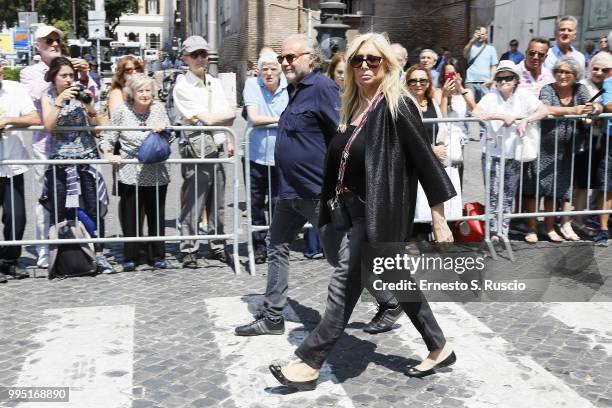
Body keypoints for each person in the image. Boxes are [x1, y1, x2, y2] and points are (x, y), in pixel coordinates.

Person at [269, 33, 457, 391]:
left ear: (387, 63)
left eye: (373, 59)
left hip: (378, 216)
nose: (365, 66)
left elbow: (427, 164)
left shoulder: (397, 106)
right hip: (353, 212)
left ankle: (310, 362)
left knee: (343, 283)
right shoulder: (353, 106)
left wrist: (439, 218)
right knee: (399, 282)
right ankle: (439, 346)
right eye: (358, 61)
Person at [234, 34, 342, 336]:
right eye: (282, 58)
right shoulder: (296, 89)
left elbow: (343, 138)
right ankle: (273, 316)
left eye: (290, 57)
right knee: (276, 245)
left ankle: (389, 298)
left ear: (311, 57)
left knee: (339, 256)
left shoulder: (323, 88)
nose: (284, 63)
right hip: (289, 191)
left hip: (315, 191)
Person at [20, 24, 98, 269]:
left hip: (78, 146)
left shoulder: (73, 70)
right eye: (48, 40)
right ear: (37, 46)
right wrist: (61, 74)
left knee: (84, 199)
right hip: (46, 145)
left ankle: (82, 247)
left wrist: (83, 76)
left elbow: (92, 99)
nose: (54, 43)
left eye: (57, 40)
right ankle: (47, 250)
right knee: (47, 200)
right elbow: (39, 93)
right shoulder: (30, 72)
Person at [40, 56, 113, 273]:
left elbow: (98, 126)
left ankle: (99, 255)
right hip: (60, 163)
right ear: (54, 77)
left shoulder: (83, 91)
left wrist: (89, 105)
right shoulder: (49, 96)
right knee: (59, 211)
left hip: (86, 160)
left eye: (71, 75)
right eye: (63, 76)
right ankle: (61, 258)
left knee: (93, 209)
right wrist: (60, 100)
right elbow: (48, 126)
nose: (69, 80)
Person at [173, 36, 236, 268]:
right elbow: (214, 117)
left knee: (218, 201)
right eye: (195, 55)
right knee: (194, 201)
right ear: (185, 58)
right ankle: (188, 248)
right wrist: (222, 117)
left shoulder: (215, 82)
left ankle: (217, 244)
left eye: (204, 54)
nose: (201, 59)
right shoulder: (182, 86)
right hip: (196, 150)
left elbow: (226, 117)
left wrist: (228, 136)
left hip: (217, 146)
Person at [472, 60, 549, 241]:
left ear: (515, 79)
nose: (503, 81)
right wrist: (500, 116)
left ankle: (503, 231)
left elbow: (543, 110)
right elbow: (477, 112)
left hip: (514, 153)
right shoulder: (491, 96)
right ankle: (492, 233)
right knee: (493, 194)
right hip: (492, 153)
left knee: (507, 195)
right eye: (499, 78)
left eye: (508, 77)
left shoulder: (524, 95)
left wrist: (526, 120)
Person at [101, 73, 170, 271]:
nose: (145, 94)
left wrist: (164, 129)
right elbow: (109, 136)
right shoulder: (122, 111)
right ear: (132, 93)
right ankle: (131, 255)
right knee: (130, 216)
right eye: (141, 90)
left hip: (156, 172)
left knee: (156, 216)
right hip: (130, 172)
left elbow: (171, 137)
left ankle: (157, 255)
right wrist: (108, 154)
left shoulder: (159, 109)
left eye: (148, 90)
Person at [525, 57, 598, 242]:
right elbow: (547, 108)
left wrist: (593, 108)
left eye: (567, 72)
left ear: (575, 75)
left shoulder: (580, 89)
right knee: (536, 189)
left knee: (556, 190)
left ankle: (550, 227)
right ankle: (532, 228)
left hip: (567, 150)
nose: (563, 75)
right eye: (560, 71)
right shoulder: (548, 89)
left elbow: (593, 106)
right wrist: (575, 110)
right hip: (543, 148)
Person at [406, 65, 463, 237]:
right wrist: (430, 150)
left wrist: (441, 144)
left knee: (429, 204)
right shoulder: (405, 105)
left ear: (429, 83)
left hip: (432, 163)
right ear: (407, 83)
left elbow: (442, 126)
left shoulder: (431, 103)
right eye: (413, 80)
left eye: (422, 80)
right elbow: (407, 136)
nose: (418, 84)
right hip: (414, 163)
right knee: (416, 207)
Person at [243, 52, 288, 264]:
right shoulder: (252, 85)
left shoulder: (289, 86)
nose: (269, 73)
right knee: (256, 204)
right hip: (256, 156)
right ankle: (258, 246)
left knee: (279, 204)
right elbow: (253, 118)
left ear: (279, 71)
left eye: (273, 69)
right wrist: (282, 120)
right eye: (264, 69)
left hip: (281, 157)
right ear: (259, 72)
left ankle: (276, 244)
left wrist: (268, 122)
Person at [0, 60, 40, 283]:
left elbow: (34, 118)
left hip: (13, 165)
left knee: (17, 218)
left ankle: (9, 261)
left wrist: (8, 120)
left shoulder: (14, 89)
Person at [516, 38, 555, 240]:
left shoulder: (549, 76)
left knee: (533, 180)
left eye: (540, 54)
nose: (535, 57)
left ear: (546, 56)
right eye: (532, 52)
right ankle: (515, 220)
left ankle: (531, 223)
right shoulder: (514, 72)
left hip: (542, 135)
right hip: (516, 133)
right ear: (526, 52)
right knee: (514, 180)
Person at [574, 52, 612, 238]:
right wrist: (591, 117)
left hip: (601, 141)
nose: (599, 72)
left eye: (604, 69)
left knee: (597, 183)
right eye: (595, 68)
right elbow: (582, 110)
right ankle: (578, 220)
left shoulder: (606, 85)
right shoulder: (583, 86)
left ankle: (588, 216)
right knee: (581, 183)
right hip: (583, 140)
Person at [439, 57, 477, 183]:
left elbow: (475, 111)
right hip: (443, 138)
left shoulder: (467, 92)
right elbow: (442, 117)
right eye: (447, 75)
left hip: (459, 139)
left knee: (457, 175)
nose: (450, 78)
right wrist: (445, 96)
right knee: (443, 176)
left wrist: (460, 89)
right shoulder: (439, 92)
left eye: (453, 74)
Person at [596, 68, 612, 245]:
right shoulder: (609, 82)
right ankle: (603, 229)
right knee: (607, 186)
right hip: (611, 139)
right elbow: (608, 106)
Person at [463, 26, 498, 105]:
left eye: (482, 34)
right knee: (471, 107)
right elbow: (464, 54)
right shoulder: (471, 47)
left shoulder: (491, 49)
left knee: (485, 106)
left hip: (485, 82)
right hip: (470, 81)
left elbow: (493, 66)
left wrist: (492, 79)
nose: (480, 36)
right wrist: (471, 41)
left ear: (486, 36)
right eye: (478, 34)